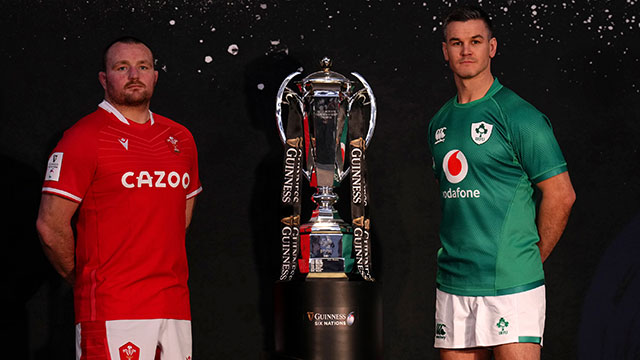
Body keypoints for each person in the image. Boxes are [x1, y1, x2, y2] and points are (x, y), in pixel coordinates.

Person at [36, 36, 202, 360]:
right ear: (104, 78)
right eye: (121, 67)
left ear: (155, 75)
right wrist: (86, 280)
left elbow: (179, 215)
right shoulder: (83, 137)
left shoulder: (180, 138)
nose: (134, 75)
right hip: (114, 308)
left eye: (143, 67)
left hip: (174, 305)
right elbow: (50, 227)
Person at [427, 6, 576, 360]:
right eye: (457, 42)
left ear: (492, 47)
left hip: (511, 283)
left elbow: (562, 194)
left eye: (475, 41)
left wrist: (528, 259)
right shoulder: (438, 123)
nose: (466, 51)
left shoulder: (520, 116)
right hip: (454, 281)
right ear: (445, 50)